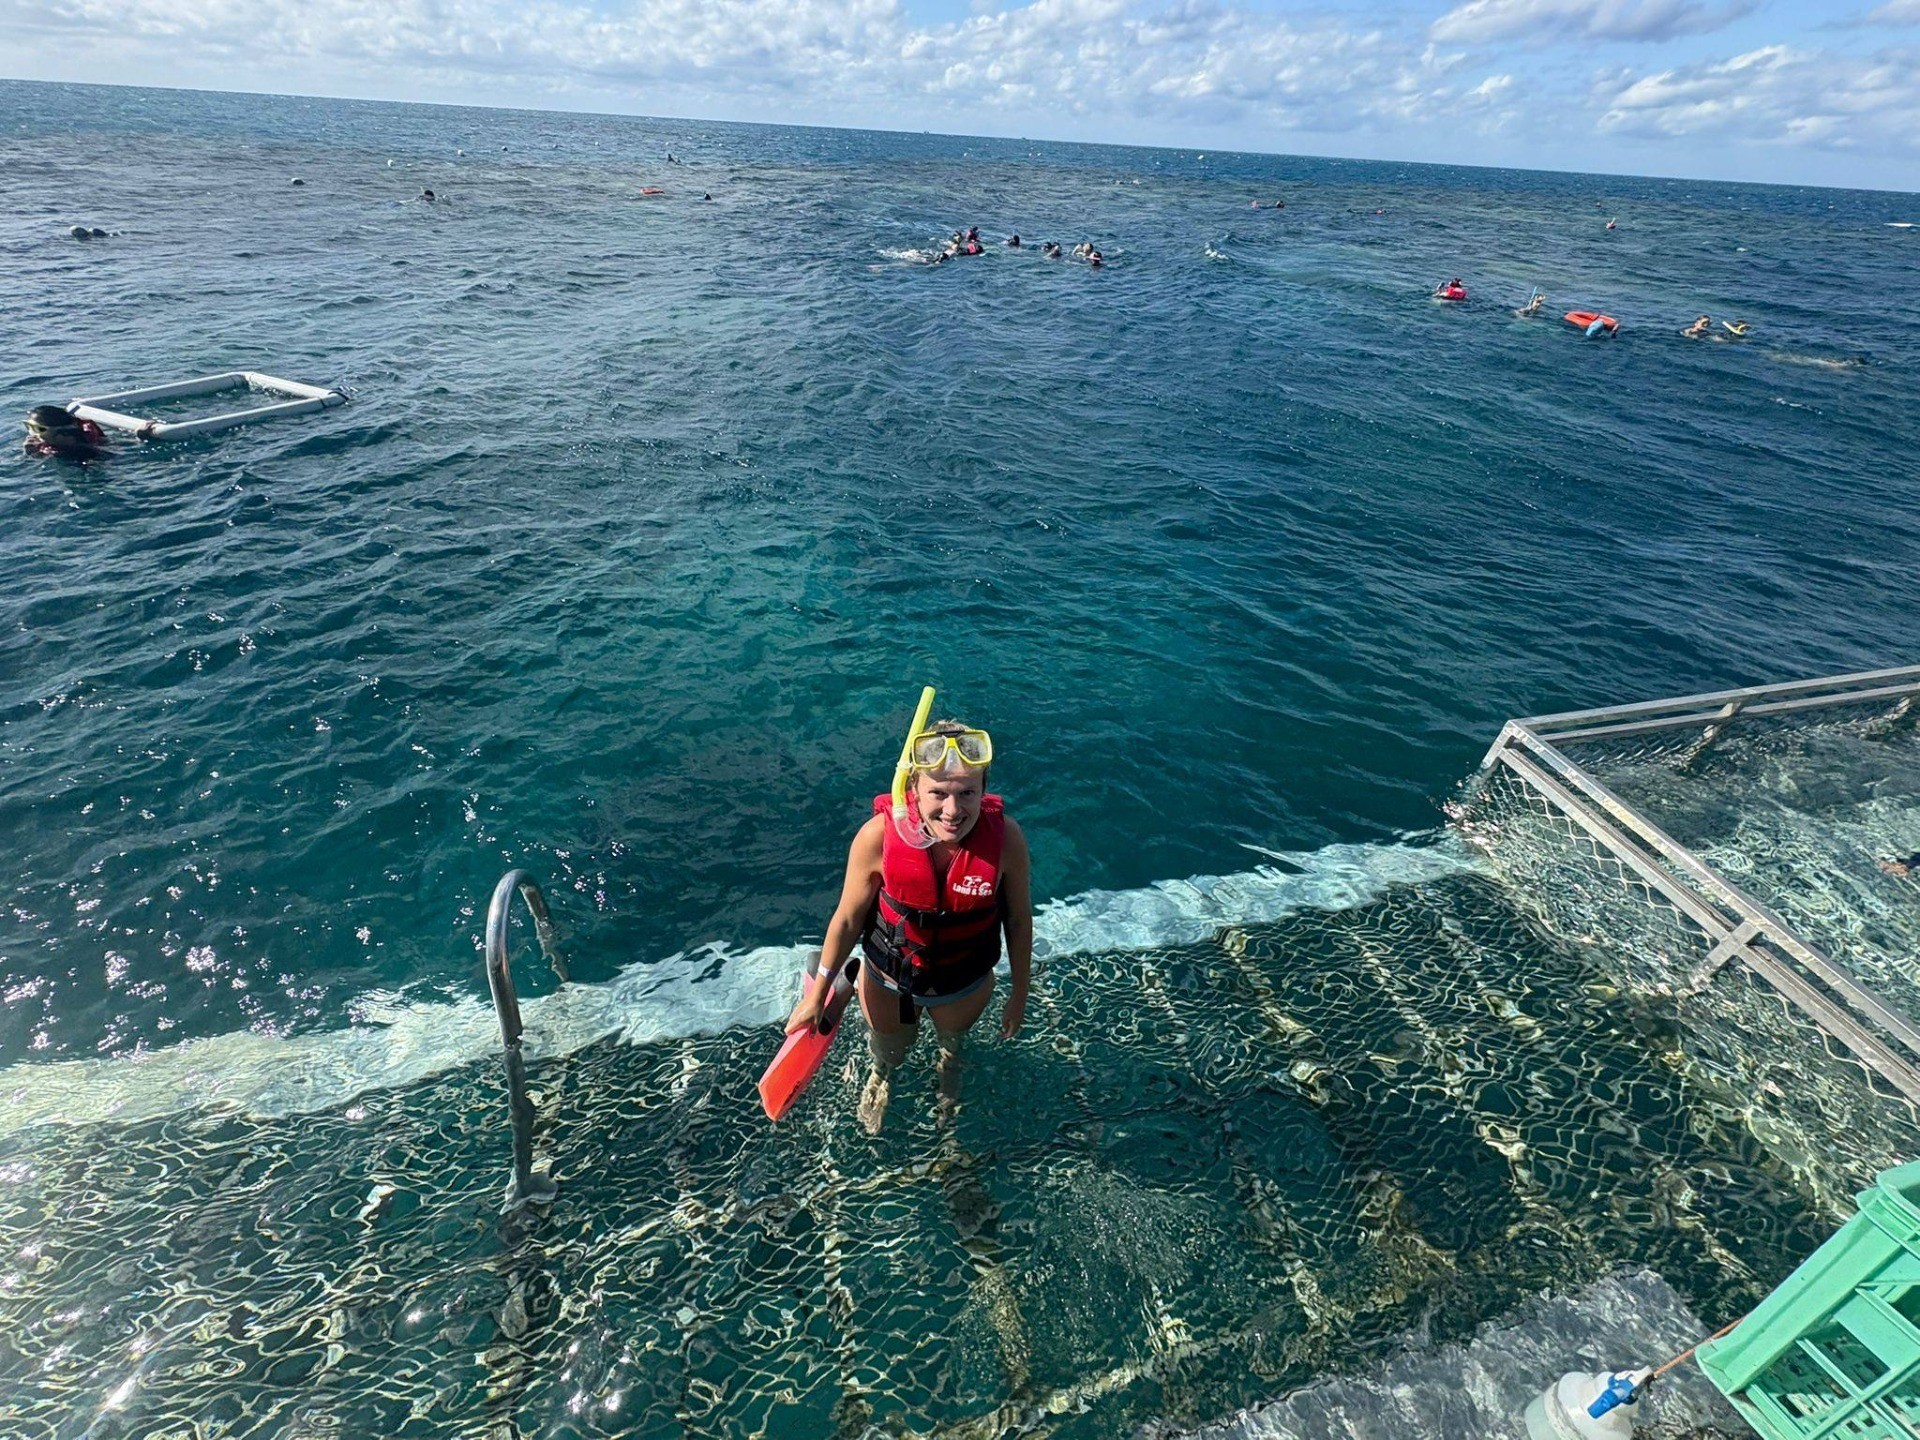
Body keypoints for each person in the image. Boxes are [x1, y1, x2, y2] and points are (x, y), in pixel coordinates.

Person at [786, 715, 1033, 1134]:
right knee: (890, 1050)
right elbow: (847, 919)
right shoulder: (877, 837)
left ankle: (948, 1073)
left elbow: (1018, 919)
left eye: (967, 794)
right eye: (938, 793)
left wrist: (1020, 994)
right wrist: (818, 995)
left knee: (953, 1046)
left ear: (983, 791)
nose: (953, 811)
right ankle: (882, 1075)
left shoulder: (1006, 839)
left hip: (965, 983)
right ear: (912, 790)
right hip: (889, 982)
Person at [23, 405, 105, 457]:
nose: (32, 433)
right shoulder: (88, 438)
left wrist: (33, 455)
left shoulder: (85, 453)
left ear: (62, 434)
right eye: (28, 426)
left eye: (39, 429)